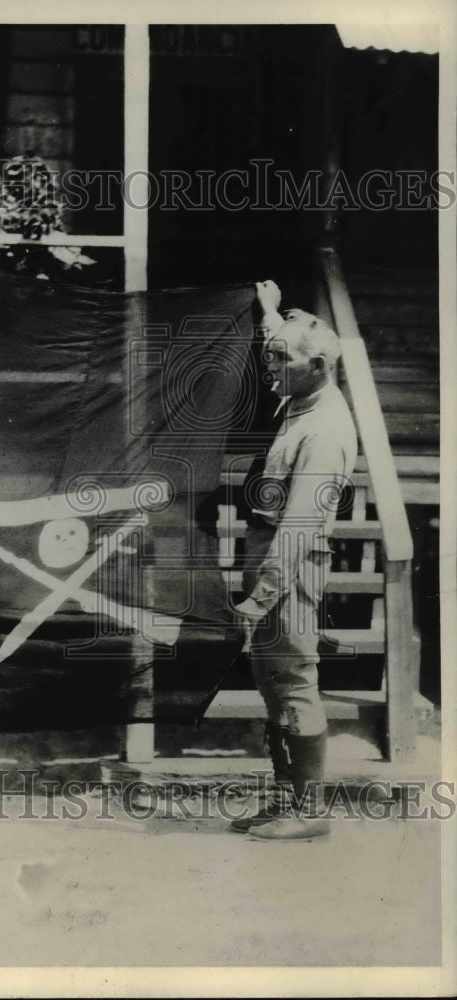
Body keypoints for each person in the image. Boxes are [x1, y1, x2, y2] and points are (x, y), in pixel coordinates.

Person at [231, 279, 357, 841]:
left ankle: (308, 812)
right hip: (269, 555)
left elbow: (301, 528)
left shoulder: (326, 430)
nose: (270, 369)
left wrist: (261, 597)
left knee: (294, 682)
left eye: (280, 360)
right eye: (269, 358)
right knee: (272, 683)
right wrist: (270, 315)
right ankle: (285, 802)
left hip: (292, 566)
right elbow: (289, 346)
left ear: (321, 366)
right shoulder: (304, 395)